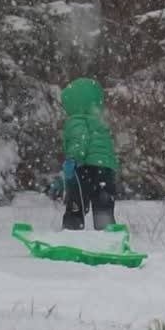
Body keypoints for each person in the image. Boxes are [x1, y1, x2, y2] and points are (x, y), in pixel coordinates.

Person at [59, 77, 120, 230]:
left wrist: (73, 159)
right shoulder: (100, 123)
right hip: (105, 170)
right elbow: (108, 151)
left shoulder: (76, 120)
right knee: (103, 204)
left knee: (76, 202)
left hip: (84, 167)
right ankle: (107, 233)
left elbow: (79, 140)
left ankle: (71, 231)